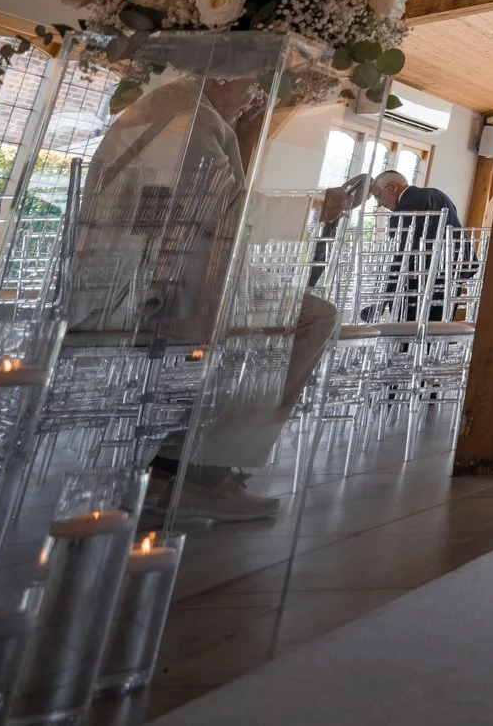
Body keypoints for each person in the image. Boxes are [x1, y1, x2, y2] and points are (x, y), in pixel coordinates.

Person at [70, 74, 363, 525]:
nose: (252, 101)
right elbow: (220, 204)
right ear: (222, 76)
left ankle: (174, 468)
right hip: (146, 290)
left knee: (289, 316)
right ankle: (200, 474)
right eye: (251, 88)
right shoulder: (189, 116)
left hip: (155, 277)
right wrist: (310, 205)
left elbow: (202, 207)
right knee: (311, 319)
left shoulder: (175, 109)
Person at [373, 168, 462, 322]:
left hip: (417, 282)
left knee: (408, 334)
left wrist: (383, 299)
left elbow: (400, 256)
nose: (380, 203)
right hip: (452, 274)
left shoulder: (402, 212)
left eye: (379, 196)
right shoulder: (439, 194)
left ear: (392, 187)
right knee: (437, 332)